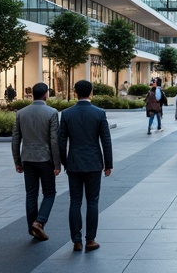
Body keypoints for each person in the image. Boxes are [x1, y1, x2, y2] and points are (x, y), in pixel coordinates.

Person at [58, 80, 113, 253]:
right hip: (94, 163)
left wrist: (65, 161)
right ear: (91, 92)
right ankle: (90, 240)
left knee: (74, 201)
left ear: (75, 93)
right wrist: (108, 164)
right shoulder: (99, 113)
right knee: (92, 201)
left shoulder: (66, 114)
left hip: (74, 163)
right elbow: (106, 140)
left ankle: (76, 240)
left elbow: (61, 141)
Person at [12, 82, 61, 241]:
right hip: (45, 159)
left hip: (28, 158)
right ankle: (39, 222)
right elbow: (54, 140)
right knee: (49, 192)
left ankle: (32, 227)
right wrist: (57, 163)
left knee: (31, 194)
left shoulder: (21, 113)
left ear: (32, 94)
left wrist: (17, 161)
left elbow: (15, 140)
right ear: (46, 94)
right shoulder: (52, 112)